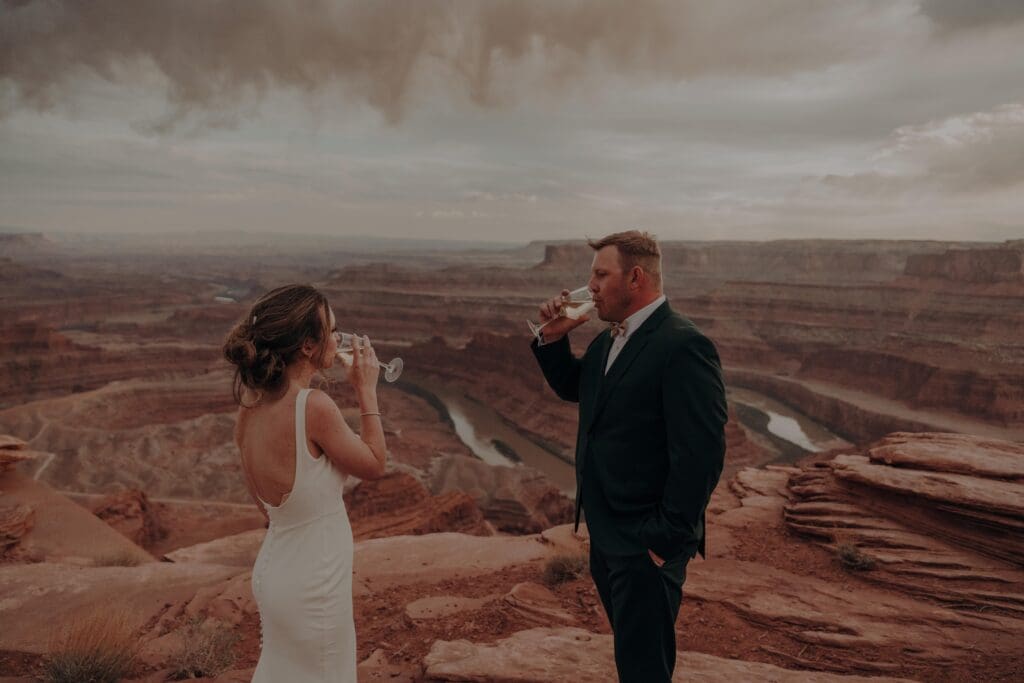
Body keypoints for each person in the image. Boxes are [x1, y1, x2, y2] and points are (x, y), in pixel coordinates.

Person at [531, 231, 727, 683]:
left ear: (635, 277)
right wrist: (553, 338)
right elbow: (577, 388)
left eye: (601, 275)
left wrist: (663, 540)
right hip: (609, 533)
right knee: (633, 657)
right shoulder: (608, 340)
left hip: (645, 542)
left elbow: (701, 454)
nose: (590, 286)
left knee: (644, 670)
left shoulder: (683, 345)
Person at [222, 284, 388, 683]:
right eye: (332, 330)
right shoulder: (313, 406)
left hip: (276, 571)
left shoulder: (250, 408)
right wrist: (366, 390)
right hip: (315, 581)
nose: (338, 338)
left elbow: (267, 506)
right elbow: (374, 464)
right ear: (308, 346)